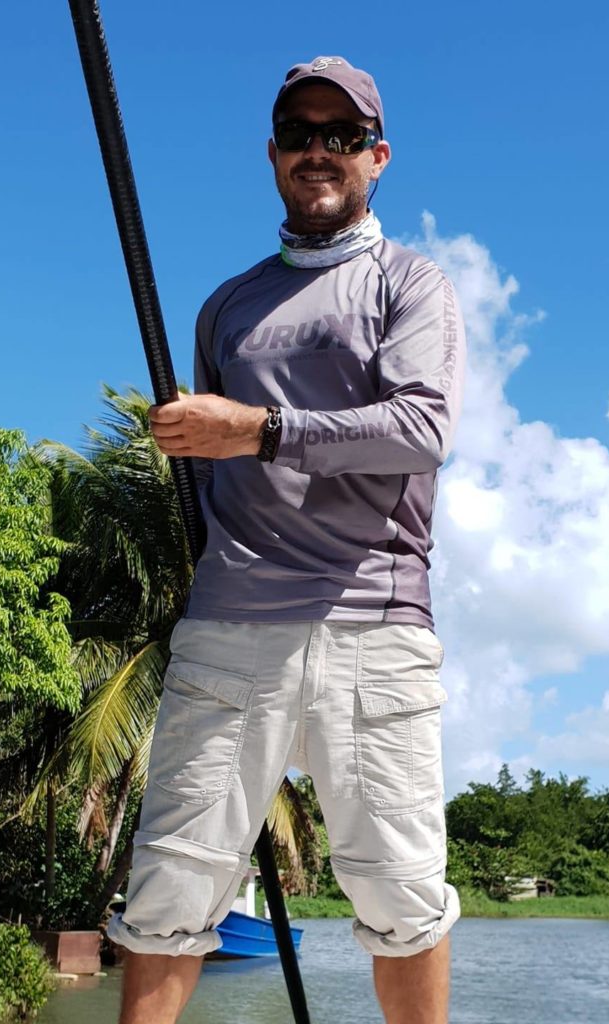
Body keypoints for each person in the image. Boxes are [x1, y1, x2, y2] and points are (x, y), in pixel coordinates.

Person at [107, 56, 466, 1024]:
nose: (319, 150)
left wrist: (260, 428)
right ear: (271, 152)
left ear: (376, 157)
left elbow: (421, 429)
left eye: (341, 135)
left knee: (399, 894)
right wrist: (197, 433)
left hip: (373, 625)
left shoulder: (410, 283)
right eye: (299, 131)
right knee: (168, 892)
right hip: (228, 625)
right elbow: (202, 451)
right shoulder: (226, 304)